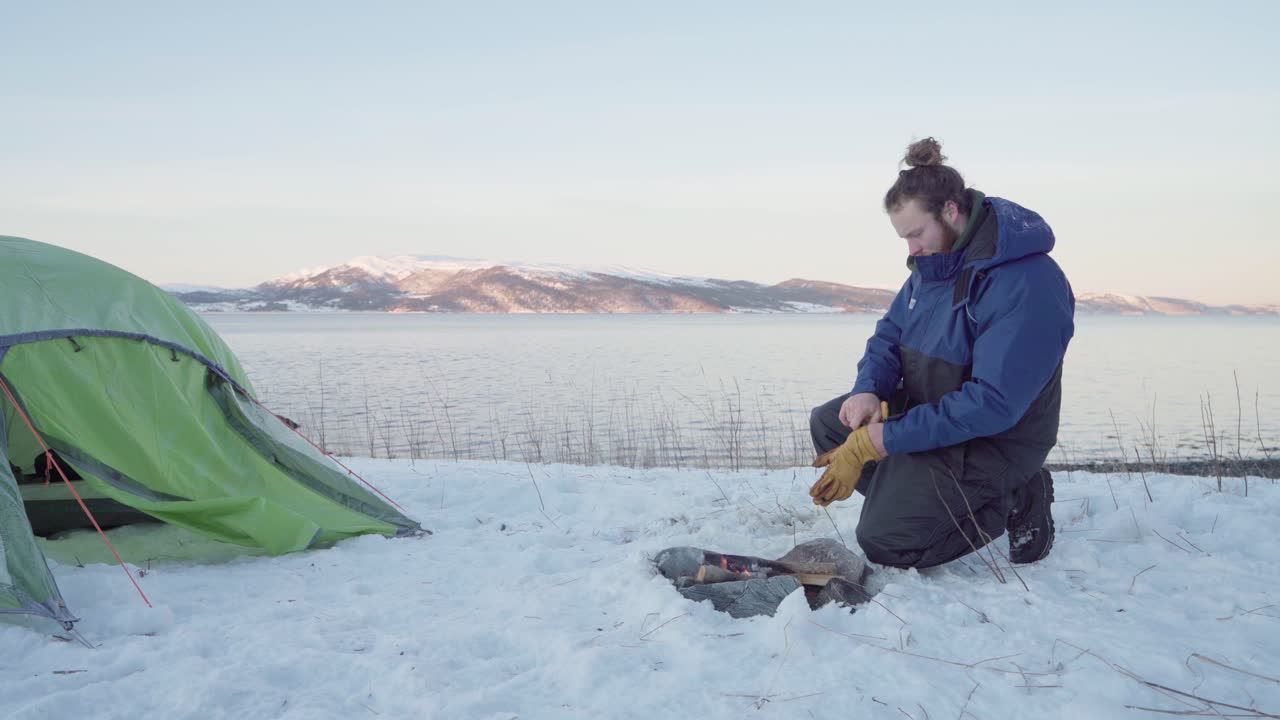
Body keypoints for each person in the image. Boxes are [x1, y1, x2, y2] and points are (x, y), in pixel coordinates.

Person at [808, 137, 1074, 569]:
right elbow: (888, 338)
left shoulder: (1025, 282)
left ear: (951, 210)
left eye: (916, 233)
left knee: (886, 541)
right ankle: (915, 495)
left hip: (995, 440)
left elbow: (993, 404)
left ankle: (1015, 494)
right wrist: (868, 390)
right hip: (940, 417)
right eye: (904, 237)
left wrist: (887, 438)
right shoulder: (934, 265)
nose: (911, 249)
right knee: (832, 423)